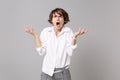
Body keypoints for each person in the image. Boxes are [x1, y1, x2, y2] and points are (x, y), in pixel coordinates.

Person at [24, 8, 88, 80]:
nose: (58, 19)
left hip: (63, 73)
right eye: (55, 16)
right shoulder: (46, 32)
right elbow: (41, 52)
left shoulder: (68, 32)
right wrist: (35, 35)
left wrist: (74, 37)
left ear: (64, 20)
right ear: (51, 20)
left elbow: (70, 52)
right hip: (47, 73)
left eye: (60, 16)